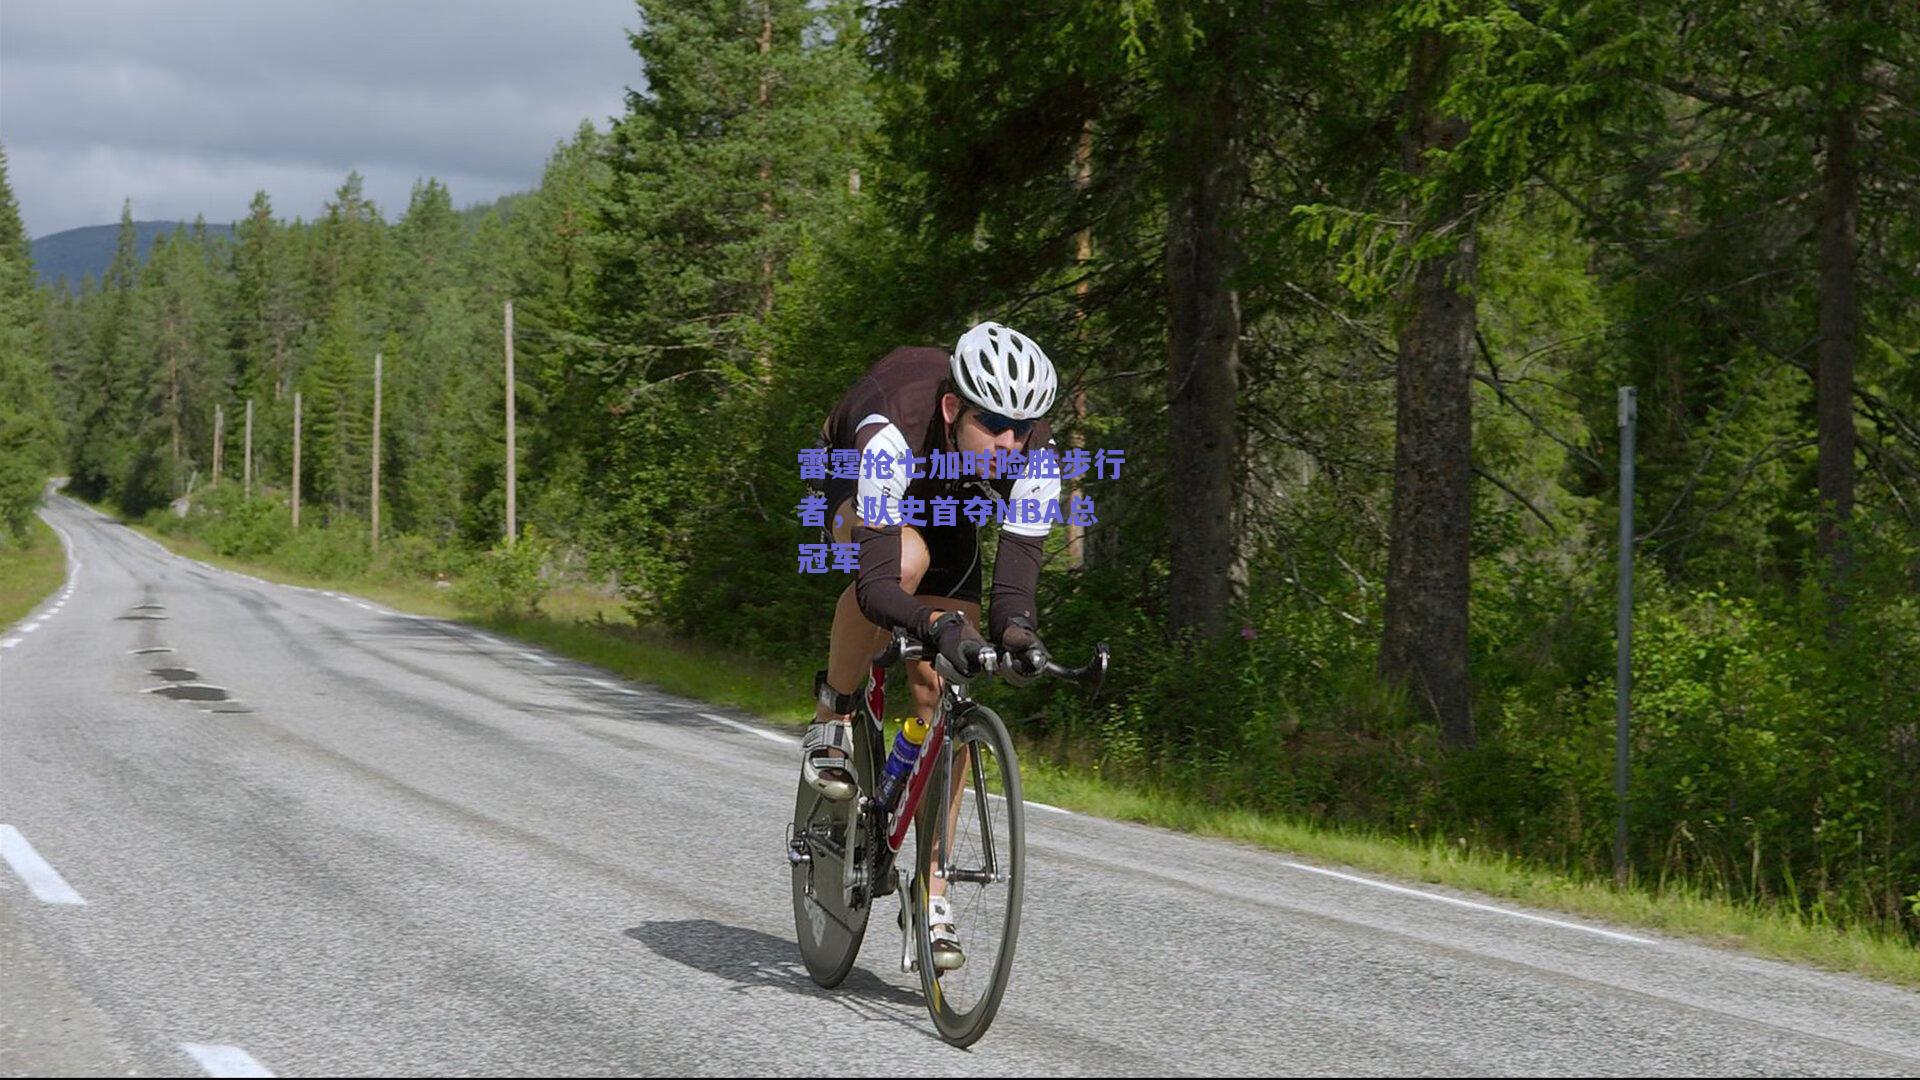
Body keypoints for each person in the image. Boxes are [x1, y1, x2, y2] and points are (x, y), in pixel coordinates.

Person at [803, 320, 1058, 970]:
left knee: (939, 685)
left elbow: (1012, 599)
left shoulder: (1033, 455)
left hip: (946, 502)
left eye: (1022, 429)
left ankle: (931, 887)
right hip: (858, 473)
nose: (1010, 442)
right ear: (953, 409)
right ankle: (832, 717)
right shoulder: (893, 427)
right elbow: (881, 586)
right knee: (906, 562)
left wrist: (1019, 638)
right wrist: (933, 624)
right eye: (994, 423)